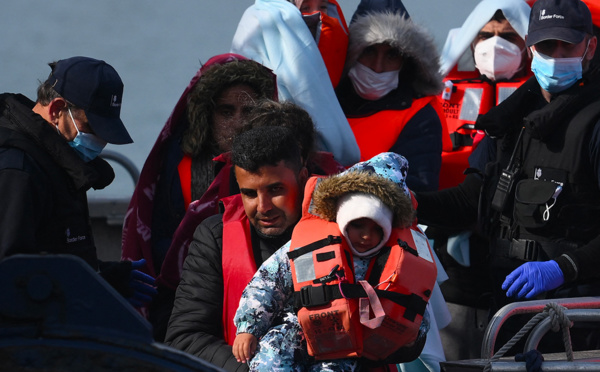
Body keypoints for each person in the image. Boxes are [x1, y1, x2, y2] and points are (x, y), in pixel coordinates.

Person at [416, 0, 600, 353]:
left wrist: (565, 267)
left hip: (577, 323)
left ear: (590, 46)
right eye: (548, 45)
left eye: (568, 44)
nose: (557, 54)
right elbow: (471, 200)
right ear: (531, 47)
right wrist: (404, 201)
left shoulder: (595, 123)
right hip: (508, 312)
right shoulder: (510, 120)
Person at [232, 152, 435, 371]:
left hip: (346, 348)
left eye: (377, 229)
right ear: (343, 218)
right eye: (358, 225)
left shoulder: (396, 262)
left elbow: (415, 309)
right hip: (293, 331)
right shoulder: (307, 245)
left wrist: (412, 336)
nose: (366, 236)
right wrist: (248, 328)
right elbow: (267, 284)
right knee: (270, 359)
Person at [0, 56, 154, 306]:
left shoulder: (60, 160)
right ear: (57, 110)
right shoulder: (17, 173)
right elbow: (12, 277)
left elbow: (53, 255)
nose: (100, 142)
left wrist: (105, 278)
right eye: (93, 127)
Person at [164, 125, 309, 371]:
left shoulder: (349, 229)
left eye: (275, 189)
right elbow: (184, 339)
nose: (263, 207)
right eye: (249, 193)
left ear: (303, 178)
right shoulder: (214, 237)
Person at [231, 0, 360, 167]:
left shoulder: (350, 82)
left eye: (323, 7)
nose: (318, 16)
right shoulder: (275, 19)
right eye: (305, 8)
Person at [335, 9, 447, 192]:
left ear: (407, 62)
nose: (378, 67)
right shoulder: (325, 103)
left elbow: (418, 190)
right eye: (369, 51)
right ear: (352, 54)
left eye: (392, 55)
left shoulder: (421, 117)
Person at [437, 0, 532, 190]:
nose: (495, 45)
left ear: (527, 42)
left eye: (508, 37)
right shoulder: (435, 93)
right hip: (450, 192)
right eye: (485, 36)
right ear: (471, 43)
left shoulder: (545, 97)